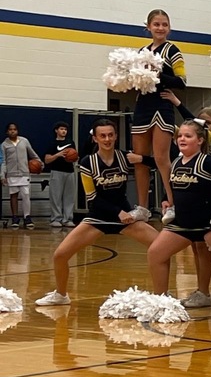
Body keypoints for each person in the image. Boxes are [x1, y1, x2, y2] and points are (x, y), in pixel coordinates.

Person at [35, 118, 158, 305]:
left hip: (125, 219)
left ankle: (161, 297)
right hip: (99, 217)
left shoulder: (125, 157)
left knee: (161, 247)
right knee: (60, 255)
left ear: (116, 136)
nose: (107, 139)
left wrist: (143, 159)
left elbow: (162, 162)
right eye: (103, 136)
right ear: (96, 138)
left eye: (110, 135)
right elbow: (92, 198)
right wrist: (118, 212)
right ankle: (61, 295)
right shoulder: (87, 162)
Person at [147, 120, 211, 303]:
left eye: (188, 136)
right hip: (183, 224)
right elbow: (174, 185)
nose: (182, 139)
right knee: (155, 252)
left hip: (209, 223)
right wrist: (165, 198)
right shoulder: (176, 162)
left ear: (200, 140)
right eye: (180, 136)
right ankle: (161, 300)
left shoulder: (210, 162)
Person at [131, 9, 186, 222]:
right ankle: (143, 207)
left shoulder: (173, 51)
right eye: (156, 24)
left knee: (162, 157)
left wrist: (158, 75)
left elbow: (181, 81)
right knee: (139, 159)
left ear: (169, 28)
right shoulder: (141, 51)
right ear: (148, 27)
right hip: (142, 105)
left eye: (164, 24)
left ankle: (172, 204)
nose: (160, 28)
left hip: (162, 106)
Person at [1, 122, 41, 229]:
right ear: (7, 131)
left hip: (24, 173)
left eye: (14, 129)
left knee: (26, 195)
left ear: (17, 131)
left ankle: (27, 217)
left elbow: (32, 154)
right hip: (12, 174)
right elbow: (3, 161)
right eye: (10, 129)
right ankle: (15, 217)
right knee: (13, 196)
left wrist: (39, 163)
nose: (12, 131)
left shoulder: (24, 141)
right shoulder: (4, 145)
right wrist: (2, 175)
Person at [44, 121, 77, 227]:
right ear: (56, 131)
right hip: (56, 172)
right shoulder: (52, 144)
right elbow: (47, 160)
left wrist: (75, 157)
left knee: (69, 197)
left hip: (70, 172)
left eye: (65, 129)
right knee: (56, 197)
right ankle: (55, 219)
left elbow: (74, 156)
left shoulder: (71, 143)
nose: (64, 131)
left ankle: (67, 219)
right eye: (62, 129)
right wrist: (57, 155)